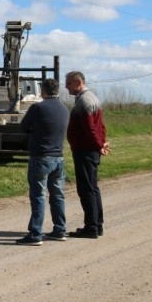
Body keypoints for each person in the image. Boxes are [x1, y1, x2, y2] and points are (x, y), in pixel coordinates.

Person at [16, 78, 69, 246]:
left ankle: (36, 233)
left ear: (43, 91)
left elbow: (23, 128)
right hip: (58, 157)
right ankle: (60, 229)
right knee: (57, 195)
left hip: (41, 157)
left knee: (38, 195)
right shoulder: (63, 108)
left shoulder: (37, 107)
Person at [65, 71, 110, 239]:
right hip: (90, 149)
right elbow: (101, 126)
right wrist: (102, 143)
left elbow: (90, 128)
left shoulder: (84, 101)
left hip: (85, 150)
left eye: (68, 83)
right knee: (92, 187)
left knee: (86, 189)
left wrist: (99, 145)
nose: (66, 87)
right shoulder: (92, 98)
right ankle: (97, 225)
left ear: (78, 83)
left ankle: (91, 227)